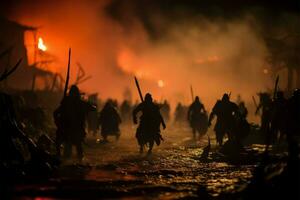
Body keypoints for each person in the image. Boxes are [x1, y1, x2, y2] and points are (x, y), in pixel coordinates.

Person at [53, 85, 96, 161]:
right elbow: (93, 108)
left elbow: (55, 113)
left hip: (68, 129)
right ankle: (75, 160)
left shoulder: (66, 102)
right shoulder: (79, 103)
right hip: (75, 129)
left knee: (68, 144)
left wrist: (58, 123)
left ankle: (65, 159)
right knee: (77, 145)